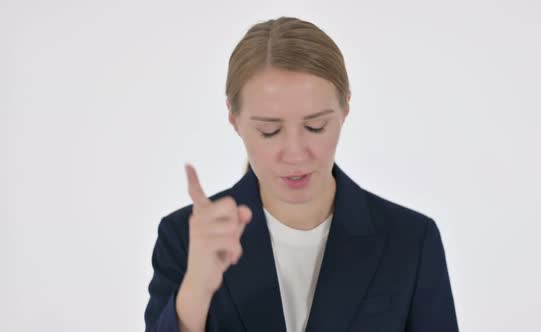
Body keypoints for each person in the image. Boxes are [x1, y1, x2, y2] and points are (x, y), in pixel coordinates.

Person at [144, 16, 459, 332]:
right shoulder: (184, 238)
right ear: (233, 117)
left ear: (345, 108)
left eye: (315, 126)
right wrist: (196, 289)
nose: (294, 153)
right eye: (269, 130)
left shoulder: (410, 240)